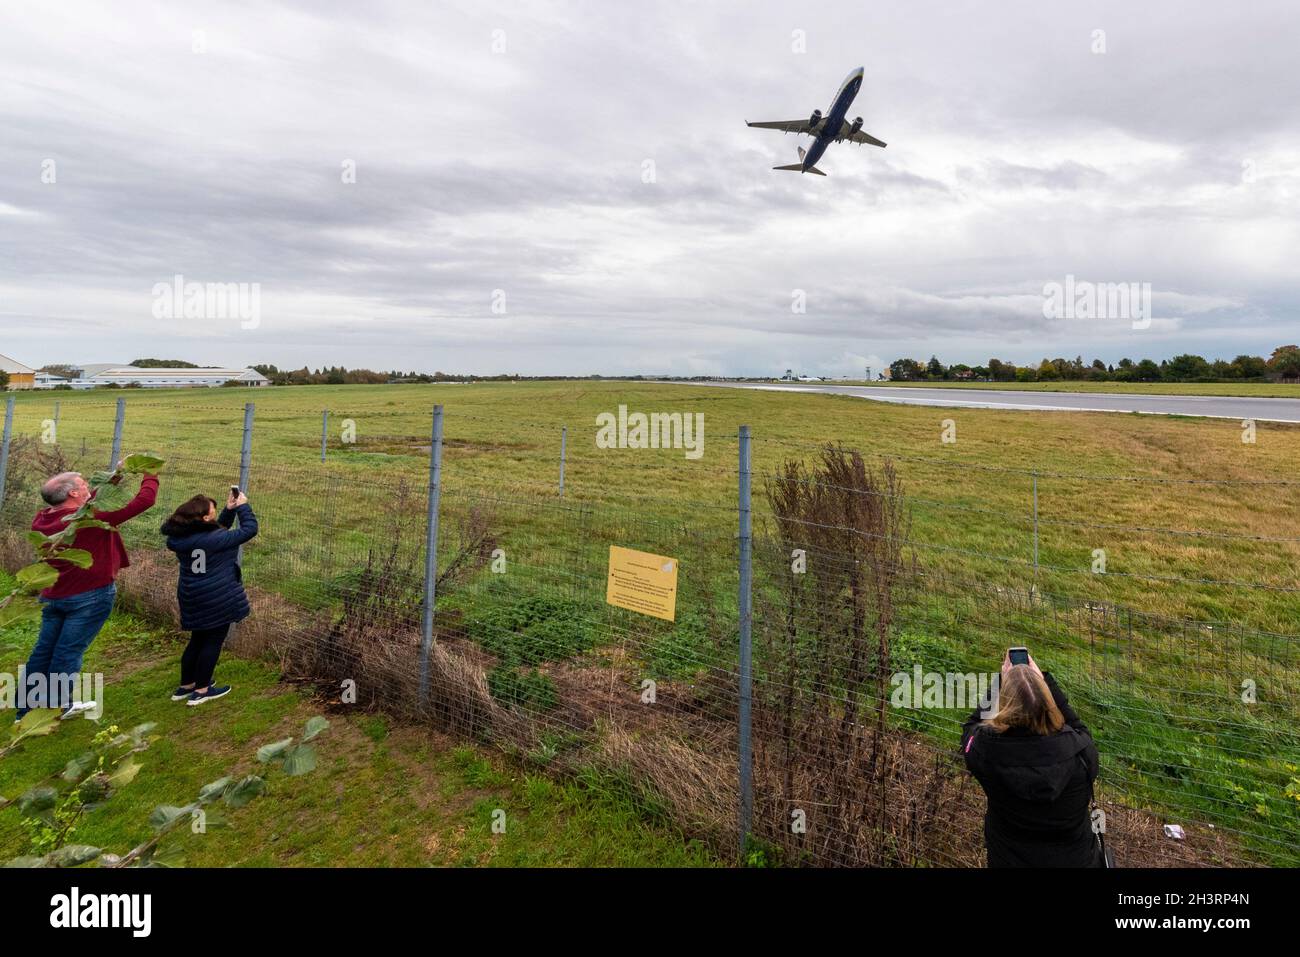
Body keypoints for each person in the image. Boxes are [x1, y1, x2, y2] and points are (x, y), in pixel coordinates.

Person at [20, 464, 160, 719]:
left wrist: (116, 476)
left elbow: (89, 501)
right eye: (84, 484)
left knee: (44, 650)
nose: (88, 487)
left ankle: (27, 708)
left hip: (53, 596)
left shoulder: (44, 518)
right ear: (73, 493)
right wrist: (150, 473)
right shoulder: (90, 521)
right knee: (68, 651)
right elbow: (143, 501)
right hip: (89, 596)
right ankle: (56, 707)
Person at [960, 651, 1101, 867]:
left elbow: (970, 729)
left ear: (1005, 706)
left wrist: (1001, 682)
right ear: (1048, 703)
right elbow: (1081, 731)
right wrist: (1043, 683)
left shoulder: (986, 753)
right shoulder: (1081, 755)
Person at [159, 488, 257, 705]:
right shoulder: (214, 540)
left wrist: (228, 511)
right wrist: (243, 507)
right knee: (212, 641)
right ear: (204, 518)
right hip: (216, 597)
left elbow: (214, 532)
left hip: (192, 594)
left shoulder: (181, 539)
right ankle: (202, 690)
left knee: (197, 639)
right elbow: (250, 529)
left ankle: (187, 685)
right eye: (213, 511)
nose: (215, 512)